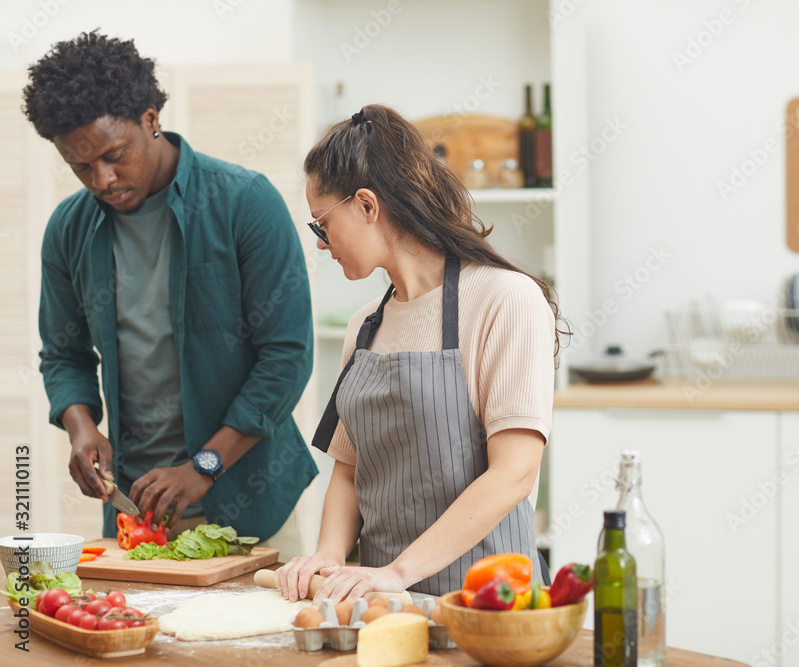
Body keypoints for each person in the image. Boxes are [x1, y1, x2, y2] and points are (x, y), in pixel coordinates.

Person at [26, 31, 317, 557]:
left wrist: (203, 467)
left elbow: (288, 358)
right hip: (137, 515)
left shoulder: (245, 202)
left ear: (151, 118)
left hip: (251, 510)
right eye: (80, 165)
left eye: (115, 155)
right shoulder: (67, 230)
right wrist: (80, 427)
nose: (103, 179)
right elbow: (63, 354)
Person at [275, 104, 563, 604]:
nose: (322, 244)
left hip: (487, 607)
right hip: (386, 605)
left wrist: (398, 570)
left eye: (323, 224)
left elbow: (514, 472)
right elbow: (349, 469)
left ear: (367, 205)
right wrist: (328, 555)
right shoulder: (366, 326)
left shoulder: (504, 299)